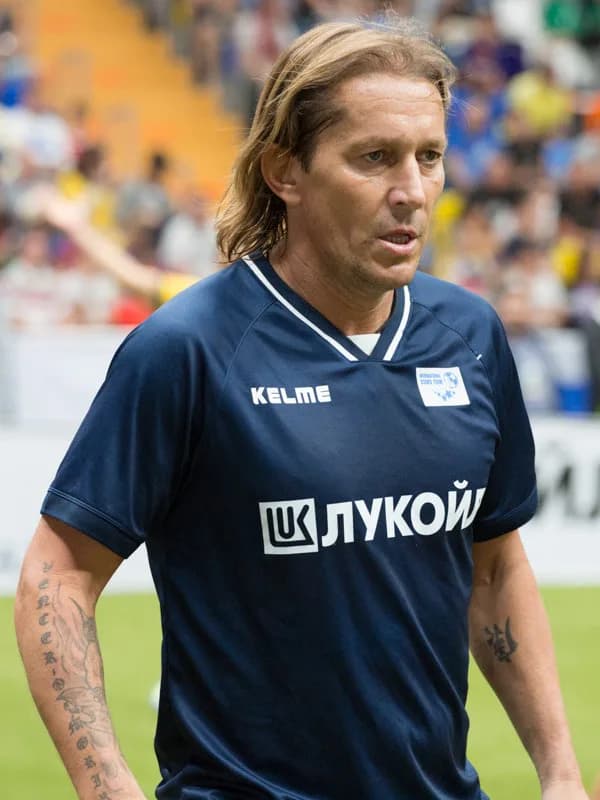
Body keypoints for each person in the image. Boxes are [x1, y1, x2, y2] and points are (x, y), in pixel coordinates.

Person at [14, 13, 589, 800]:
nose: (411, 191)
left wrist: (561, 773)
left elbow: (494, 569)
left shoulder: (470, 335)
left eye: (429, 157)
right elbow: (57, 575)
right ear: (285, 171)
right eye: (374, 158)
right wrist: (107, 787)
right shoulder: (188, 349)